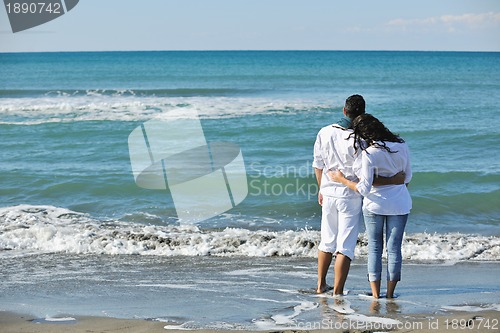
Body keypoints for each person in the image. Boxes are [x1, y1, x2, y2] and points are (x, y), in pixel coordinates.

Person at [312, 95, 403, 295]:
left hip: (327, 192)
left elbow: (318, 165)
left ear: (344, 110)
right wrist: (393, 180)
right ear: (362, 114)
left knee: (327, 240)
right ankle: (337, 291)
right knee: (345, 245)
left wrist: (321, 189)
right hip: (349, 195)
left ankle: (320, 285)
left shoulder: (324, 132)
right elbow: (366, 177)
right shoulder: (361, 139)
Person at [328, 114, 412, 299]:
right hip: (400, 203)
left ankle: (375, 295)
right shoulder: (402, 146)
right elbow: (407, 178)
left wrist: (341, 179)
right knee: (394, 247)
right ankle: (390, 294)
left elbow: (363, 188)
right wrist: (393, 181)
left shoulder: (369, 154)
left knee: (375, 247)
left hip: (375, 205)